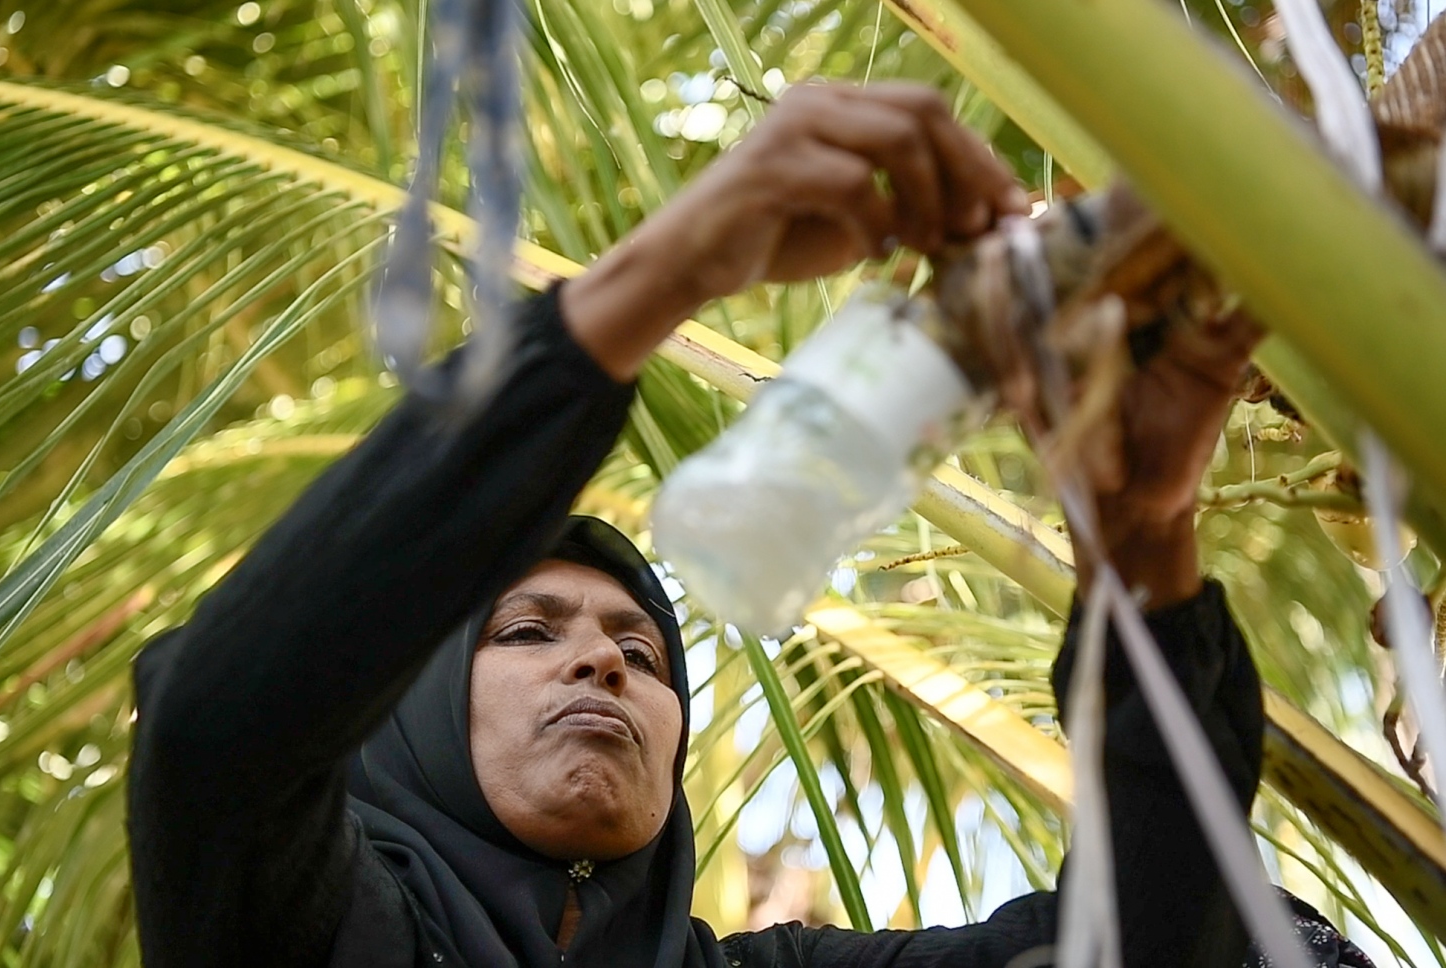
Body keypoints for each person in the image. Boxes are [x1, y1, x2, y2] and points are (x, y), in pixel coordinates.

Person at [126, 83, 1372, 968]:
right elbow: (215, 731)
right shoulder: (323, 929)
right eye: (525, 629)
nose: (604, 658)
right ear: (402, 710)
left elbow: (1148, 944)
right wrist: (662, 272)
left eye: (646, 650)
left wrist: (1143, 533)